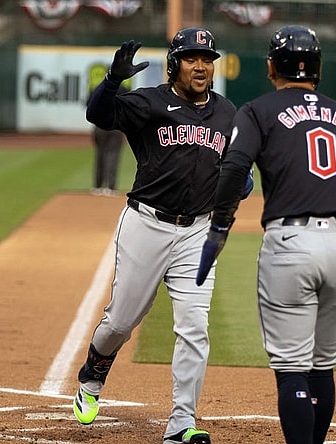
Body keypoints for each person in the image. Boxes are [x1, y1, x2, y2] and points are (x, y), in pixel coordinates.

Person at [196, 26, 336, 444]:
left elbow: (234, 167)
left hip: (292, 243)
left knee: (292, 367)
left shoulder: (258, 111)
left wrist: (219, 227)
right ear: (318, 69)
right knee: (322, 364)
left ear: (271, 67)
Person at [74, 28, 240, 444]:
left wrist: (242, 180)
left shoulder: (226, 113)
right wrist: (113, 81)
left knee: (194, 327)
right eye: (191, 58)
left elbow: (239, 166)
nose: (201, 65)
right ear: (174, 64)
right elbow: (99, 115)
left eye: (207, 58)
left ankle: (181, 423)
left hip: (197, 233)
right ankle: (94, 372)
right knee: (120, 322)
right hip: (146, 225)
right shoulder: (149, 102)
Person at [86, 63, 126, 196]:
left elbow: (88, 105)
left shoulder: (97, 88)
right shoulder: (124, 89)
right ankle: (111, 187)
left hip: (99, 126)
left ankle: (97, 186)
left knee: (100, 155)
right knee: (113, 155)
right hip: (115, 127)